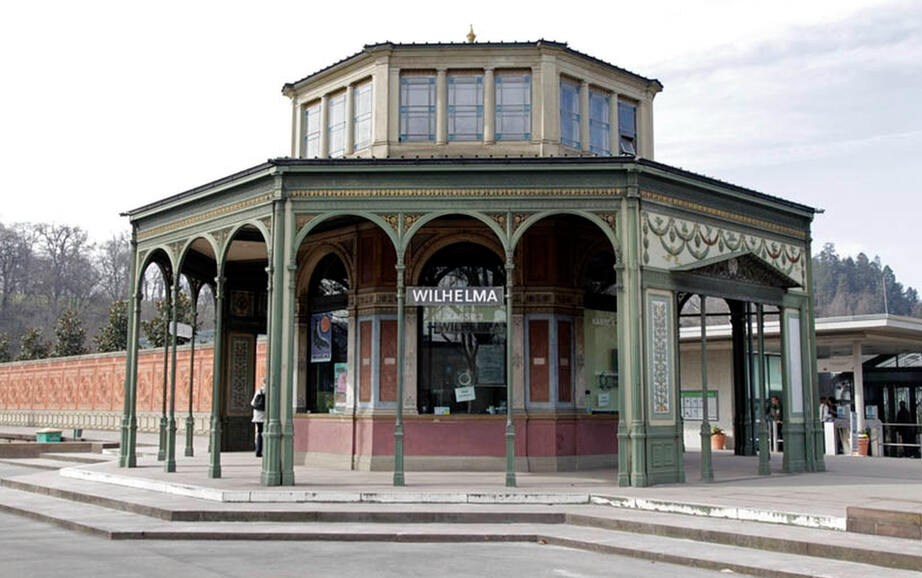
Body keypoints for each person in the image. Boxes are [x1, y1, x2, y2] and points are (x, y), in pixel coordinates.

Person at [251, 378, 266, 458]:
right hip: (266, 416)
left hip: (258, 415)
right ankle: (264, 449)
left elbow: (253, 402)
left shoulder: (259, 390)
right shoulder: (271, 391)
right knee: (265, 433)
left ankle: (258, 450)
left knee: (259, 432)